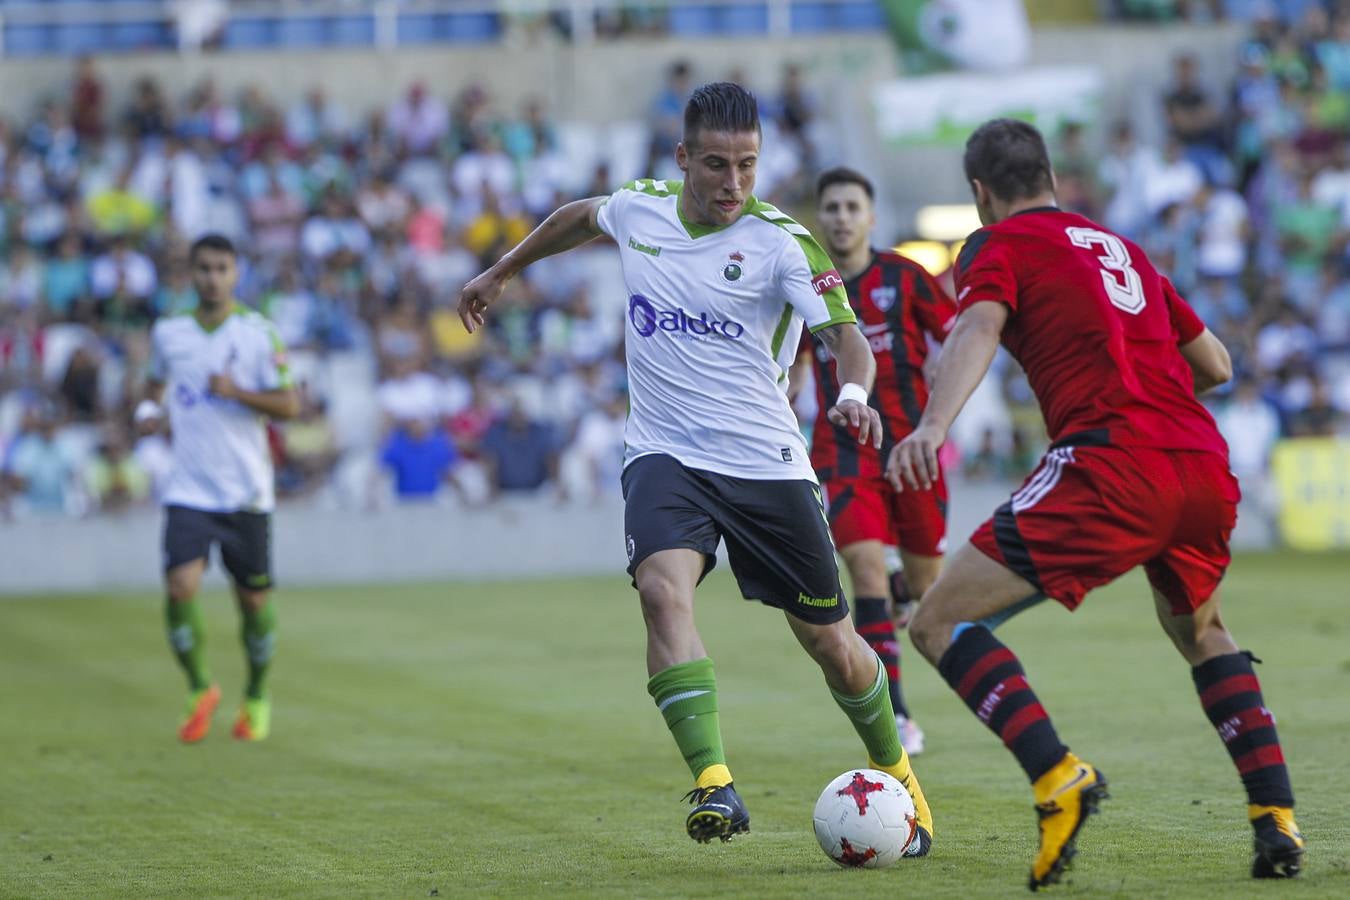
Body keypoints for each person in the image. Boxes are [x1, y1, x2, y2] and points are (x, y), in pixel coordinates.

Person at [459, 82, 933, 852]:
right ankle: (715, 784)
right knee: (659, 591)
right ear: (683, 159)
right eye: (716, 165)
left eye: (747, 165)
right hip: (665, 454)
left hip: (766, 465)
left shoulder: (782, 242)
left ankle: (900, 779)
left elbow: (846, 335)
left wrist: (851, 392)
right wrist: (501, 271)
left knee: (834, 647)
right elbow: (578, 217)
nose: (734, 184)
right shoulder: (641, 209)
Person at [887, 119, 1303, 889]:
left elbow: (979, 323)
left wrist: (934, 424)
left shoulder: (996, 247)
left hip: (1111, 461)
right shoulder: (1121, 249)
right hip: (1202, 463)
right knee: (1203, 630)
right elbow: (1212, 361)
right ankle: (1274, 817)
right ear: (1050, 177)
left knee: (938, 620)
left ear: (981, 195)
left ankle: (1057, 780)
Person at [789, 167, 957, 757]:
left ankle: (897, 588)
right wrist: (790, 384)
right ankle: (898, 714)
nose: (840, 217)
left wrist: (941, 401)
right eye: (830, 207)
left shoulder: (907, 278)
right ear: (820, 216)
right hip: (841, 451)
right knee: (862, 570)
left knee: (924, 587)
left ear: (870, 217)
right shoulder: (806, 282)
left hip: (911, 451)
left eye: (850, 206)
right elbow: (797, 357)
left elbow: (958, 337)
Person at [138, 235, 299, 744]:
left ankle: (255, 694)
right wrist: (148, 413)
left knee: (252, 603)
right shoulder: (170, 333)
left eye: (221, 268)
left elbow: (290, 405)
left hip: (246, 491)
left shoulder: (258, 333)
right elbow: (152, 387)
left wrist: (236, 392)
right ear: (191, 273)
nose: (212, 277)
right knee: (179, 587)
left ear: (236, 273)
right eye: (203, 268)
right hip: (188, 487)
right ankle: (199, 687)